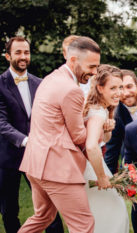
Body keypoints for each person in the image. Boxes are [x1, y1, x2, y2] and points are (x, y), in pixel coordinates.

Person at [18, 36, 108, 233]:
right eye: (91, 67)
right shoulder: (71, 90)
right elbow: (78, 137)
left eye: (97, 67)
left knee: (42, 217)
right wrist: (99, 125)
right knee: (83, 225)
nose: (94, 73)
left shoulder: (51, 79)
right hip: (57, 168)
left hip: (35, 164)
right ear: (73, 60)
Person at [0, 36, 63, 233]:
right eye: (18, 52)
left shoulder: (40, 83)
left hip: (38, 156)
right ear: (7, 55)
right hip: (7, 157)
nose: (23, 56)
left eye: (26, 52)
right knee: (9, 208)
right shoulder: (0, 84)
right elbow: (1, 122)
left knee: (49, 206)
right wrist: (26, 140)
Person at [83, 64, 129, 233]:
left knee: (108, 211)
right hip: (91, 169)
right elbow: (91, 146)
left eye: (120, 87)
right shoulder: (97, 113)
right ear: (100, 88)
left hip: (93, 166)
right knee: (112, 212)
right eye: (113, 88)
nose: (119, 92)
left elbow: (103, 141)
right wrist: (101, 177)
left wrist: (107, 130)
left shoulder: (103, 108)